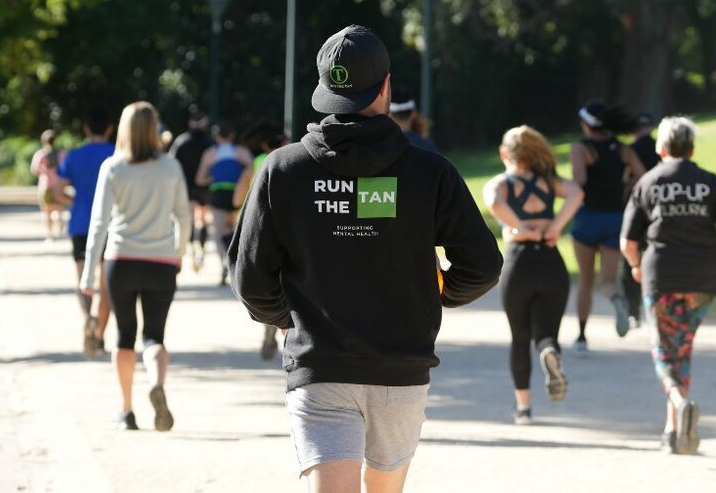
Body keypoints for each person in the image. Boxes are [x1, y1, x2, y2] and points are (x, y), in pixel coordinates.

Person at [227, 24, 503, 492]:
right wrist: (437, 293)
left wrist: (289, 319)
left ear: (325, 89)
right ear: (387, 87)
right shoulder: (428, 172)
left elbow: (249, 278)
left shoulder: (282, 170)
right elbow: (483, 265)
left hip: (321, 368)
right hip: (401, 368)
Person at [620, 116, 716, 455]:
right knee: (682, 349)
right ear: (691, 148)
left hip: (661, 277)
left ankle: (680, 400)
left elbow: (628, 242)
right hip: (703, 280)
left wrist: (635, 266)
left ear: (660, 148)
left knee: (664, 351)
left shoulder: (647, 183)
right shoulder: (712, 183)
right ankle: (673, 431)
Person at [79, 101, 191, 431]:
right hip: (160, 261)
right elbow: (183, 216)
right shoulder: (170, 167)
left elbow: (99, 223)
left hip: (120, 261)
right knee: (154, 336)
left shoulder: (113, 168)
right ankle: (157, 383)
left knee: (124, 336)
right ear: (154, 129)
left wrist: (88, 273)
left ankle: (126, 410)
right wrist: (178, 252)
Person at [484, 125, 584, 424]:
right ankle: (550, 352)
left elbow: (491, 199)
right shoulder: (549, 181)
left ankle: (524, 409)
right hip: (551, 263)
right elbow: (577, 193)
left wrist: (517, 227)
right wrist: (555, 226)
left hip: (519, 264)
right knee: (545, 334)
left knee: (519, 337)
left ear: (505, 154)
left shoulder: (505, 183)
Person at [569, 101, 646, 351]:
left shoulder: (581, 148)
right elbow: (644, 176)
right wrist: (626, 183)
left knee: (586, 280)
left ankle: (581, 337)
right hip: (616, 219)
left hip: (588, 218)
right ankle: (617, 299)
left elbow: (580, 181)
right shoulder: (622, 149)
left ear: (586, 125)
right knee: (608, 280)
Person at [55, 108, 115, 356]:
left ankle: (87, 316)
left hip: (80, 223)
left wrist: (74, 203)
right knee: (106, 284)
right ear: (110, 129)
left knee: (84, 278)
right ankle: (100, 335)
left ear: (86, 129)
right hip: (111, 224)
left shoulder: (73, 156)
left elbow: (57, 190)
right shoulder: (117, 154)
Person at [232, 121, 288, 360]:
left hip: (260, 230)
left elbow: (237, 200)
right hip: (287, 229)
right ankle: (282, 329)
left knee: (268, 282)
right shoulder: (293, 161)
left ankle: (272, 325)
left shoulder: (256, 164)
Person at [195, 121, 253, 285]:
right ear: (233, 134)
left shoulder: (210, 154)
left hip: (219, 193)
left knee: (221, 233)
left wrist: (213, 177)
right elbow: (251, 171)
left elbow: (199, 179)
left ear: (215, 136)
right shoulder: (242, 152)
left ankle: (225, 265)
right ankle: (237, 264)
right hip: (239, 193)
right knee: (235, 231)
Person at [621, 111, 662, 325]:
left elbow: (626, 178)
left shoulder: (630, 151)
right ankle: (654, 307)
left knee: (631, 258)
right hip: (657, 210)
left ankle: (633, 309)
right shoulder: (660, 149)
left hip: (633, 208)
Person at [169, 112, 215, 272]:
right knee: (202, 221)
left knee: (186, 220)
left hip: (185, 187)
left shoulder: (181, 141)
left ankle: (186, 250)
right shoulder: (209, 143)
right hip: (204, 187)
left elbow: (171, 161)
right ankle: (199, 250)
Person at [30, 129, 69, 241]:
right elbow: (66, 169)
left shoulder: (41, 154)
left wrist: (44, 170)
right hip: (59, 185)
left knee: (47, 212)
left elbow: (34, 170)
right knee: (59, 207)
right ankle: (59, 218)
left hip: (45, 185)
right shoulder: (62, 154)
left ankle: (50, 235)